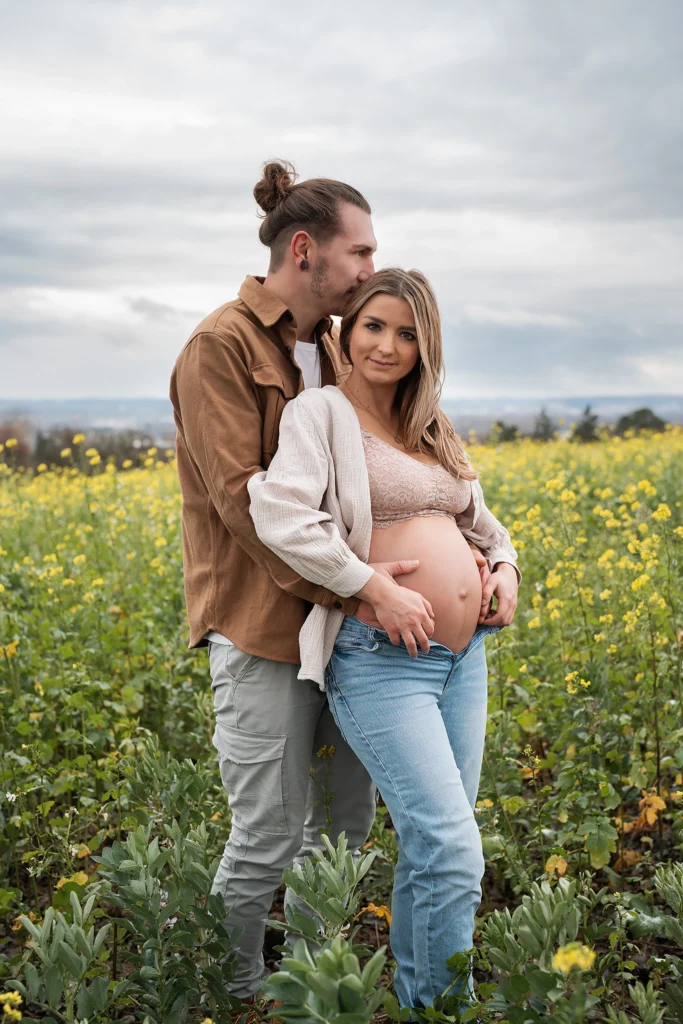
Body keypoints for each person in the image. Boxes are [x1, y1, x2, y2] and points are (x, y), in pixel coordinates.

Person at [169, 162, 488, 999]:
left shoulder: (328, 349)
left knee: (340, 834)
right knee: (269, 832)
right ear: (306, 250)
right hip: (267, 627)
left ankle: (308, 985)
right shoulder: (222, 346)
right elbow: (247, 505)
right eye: (362, 252)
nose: (368, 270)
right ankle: (236, 993)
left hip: (357, 638)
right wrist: (360, 587)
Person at [248, 268, 521, 1010]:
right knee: (452, 849)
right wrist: (369, 585)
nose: (387, 346)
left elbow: (483, 526)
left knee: (440, 847)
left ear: (425, 347)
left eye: (407, 333)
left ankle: (425, 1001)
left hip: (462, 660)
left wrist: (502, 570)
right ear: (345, 330)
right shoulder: (320, 415)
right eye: (374, 326)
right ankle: (441, 1007)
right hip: (381, 662)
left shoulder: (431, 423)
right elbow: (281, 516)